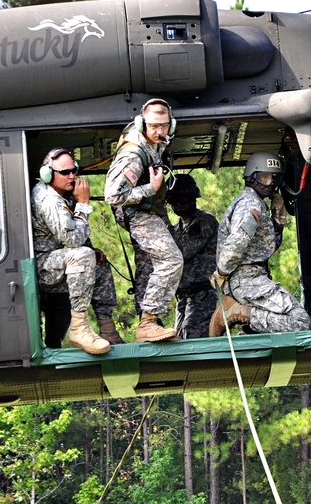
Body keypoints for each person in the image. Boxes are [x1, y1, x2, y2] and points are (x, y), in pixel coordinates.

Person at [104, 98, 181, 343]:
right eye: (154, 126)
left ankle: (150, 325)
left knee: (150, 265)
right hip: (136, 211)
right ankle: (148, 323)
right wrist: (151, 188)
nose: (160, 131)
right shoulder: (133, 155)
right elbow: (113, 196)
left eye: (165, 126)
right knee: (171, 260)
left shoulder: (158, 140)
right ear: (141, 124)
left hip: (149, 210)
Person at [210, 151, 311, 336]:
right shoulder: (250, 204)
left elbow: (263, 247)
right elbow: (237, 242)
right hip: (246, 278)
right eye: (265, 177)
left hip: (251, 277)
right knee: (300, 321)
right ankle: (237, 312)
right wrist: (222, 272)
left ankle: (248, 328)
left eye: (275, 178)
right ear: (252, 178)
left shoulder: (256, 202)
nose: (270, 183)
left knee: (278, 321)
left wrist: (278, 219)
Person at [31, 147, 118, 355]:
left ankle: (108, 329)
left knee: (98, 261)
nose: (72, 176)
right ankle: (79, 329)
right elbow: (72, 239)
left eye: (74, 170)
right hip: (43, 268)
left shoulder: (63, 194)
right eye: (65, 172)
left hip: (59, 264)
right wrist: (84, 204)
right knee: (84, 255)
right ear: (48, 174)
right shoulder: (48, 200)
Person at [132, 174, 218, 338]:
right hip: (185, 298)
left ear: (193, 199)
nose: (179, 205)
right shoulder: (178, 227)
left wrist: (160, 222)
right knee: (180, 340)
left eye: (184, 200)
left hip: (203, 296)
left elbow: (184, 250)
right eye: (174, 201)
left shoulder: (203, 222)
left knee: (194, 341)